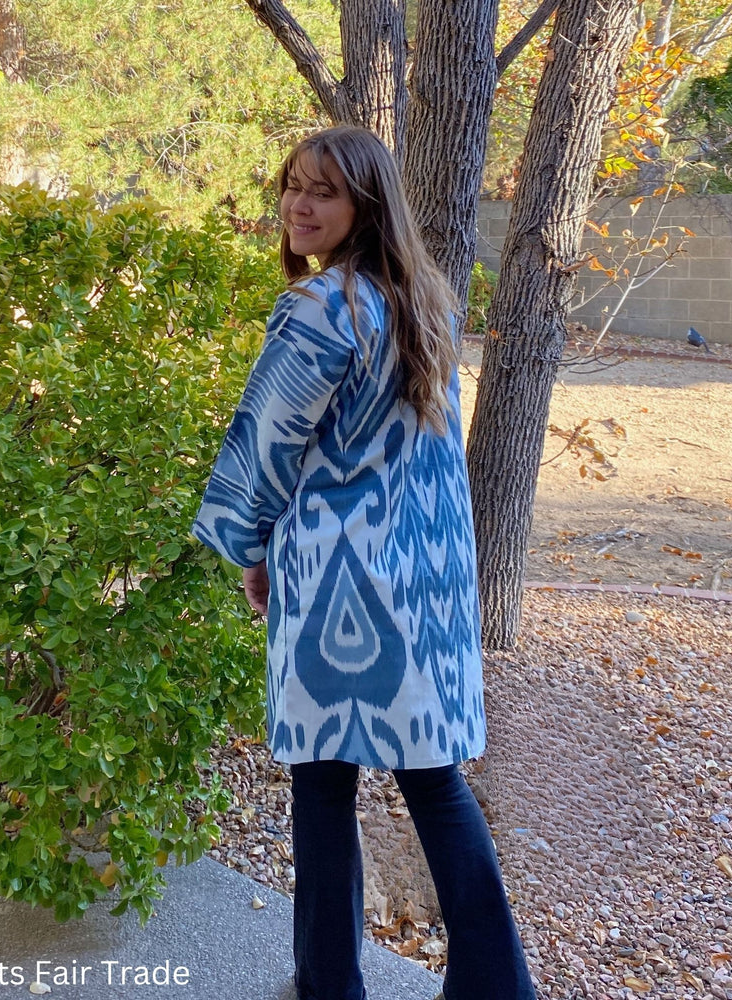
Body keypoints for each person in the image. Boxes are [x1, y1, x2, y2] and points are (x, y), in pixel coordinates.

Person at [192, 125, 536, 1000]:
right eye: (292, 187)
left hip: (334, 584)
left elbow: (265, 446)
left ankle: (328, 983)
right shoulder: (422, 301)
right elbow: (433, 462)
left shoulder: (320, 311)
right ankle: (497, 986)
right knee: (435, 787)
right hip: (417, 583)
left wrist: (247, 544)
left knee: (322, 784)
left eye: (324, 193)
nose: (299, 206)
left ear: (364, 207)